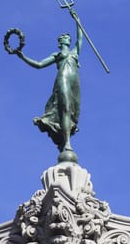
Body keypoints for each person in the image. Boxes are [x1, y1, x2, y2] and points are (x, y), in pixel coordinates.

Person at [16, 10, 83, 153]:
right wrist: (23, 57)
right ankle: (67, 144)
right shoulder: (57, 54)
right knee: (65, 109)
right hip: (63, 79)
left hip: (74, 83)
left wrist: (77, 21)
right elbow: (39, 64)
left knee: (73, 112)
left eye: (68, 37)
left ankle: (64, 137)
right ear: (60, 42)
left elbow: (80, 39)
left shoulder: (75, 53)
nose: (67, 38)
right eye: (64, 37)